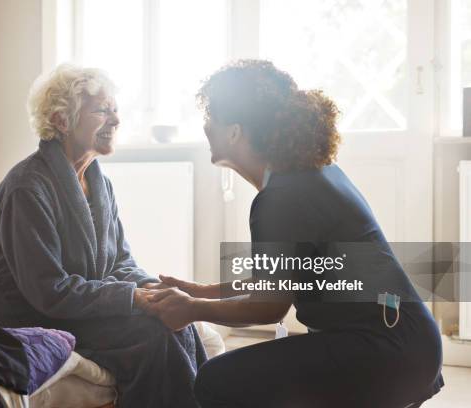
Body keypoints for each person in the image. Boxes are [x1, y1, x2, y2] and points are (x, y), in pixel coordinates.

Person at [147, 59, 444, 408]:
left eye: (211, 116)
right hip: (411, 344)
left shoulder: (280, 198)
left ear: (234, 132)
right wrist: (204, 291)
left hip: (386, 353)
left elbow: (269, 307)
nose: (205, 127)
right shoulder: (308, 175)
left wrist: (193, 309)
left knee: (217, 379)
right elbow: (286, 277)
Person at [0, 64, 206, 408]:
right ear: (62, 121)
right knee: (151, 336)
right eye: (102, 110)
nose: (115, 120)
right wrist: (133, 299)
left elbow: (120, 261)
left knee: (178, 323)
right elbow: (48, 291)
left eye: (115, 110)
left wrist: (155, 291)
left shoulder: (99, 182)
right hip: (18, 316)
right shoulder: (26, 188)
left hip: (73, 307)